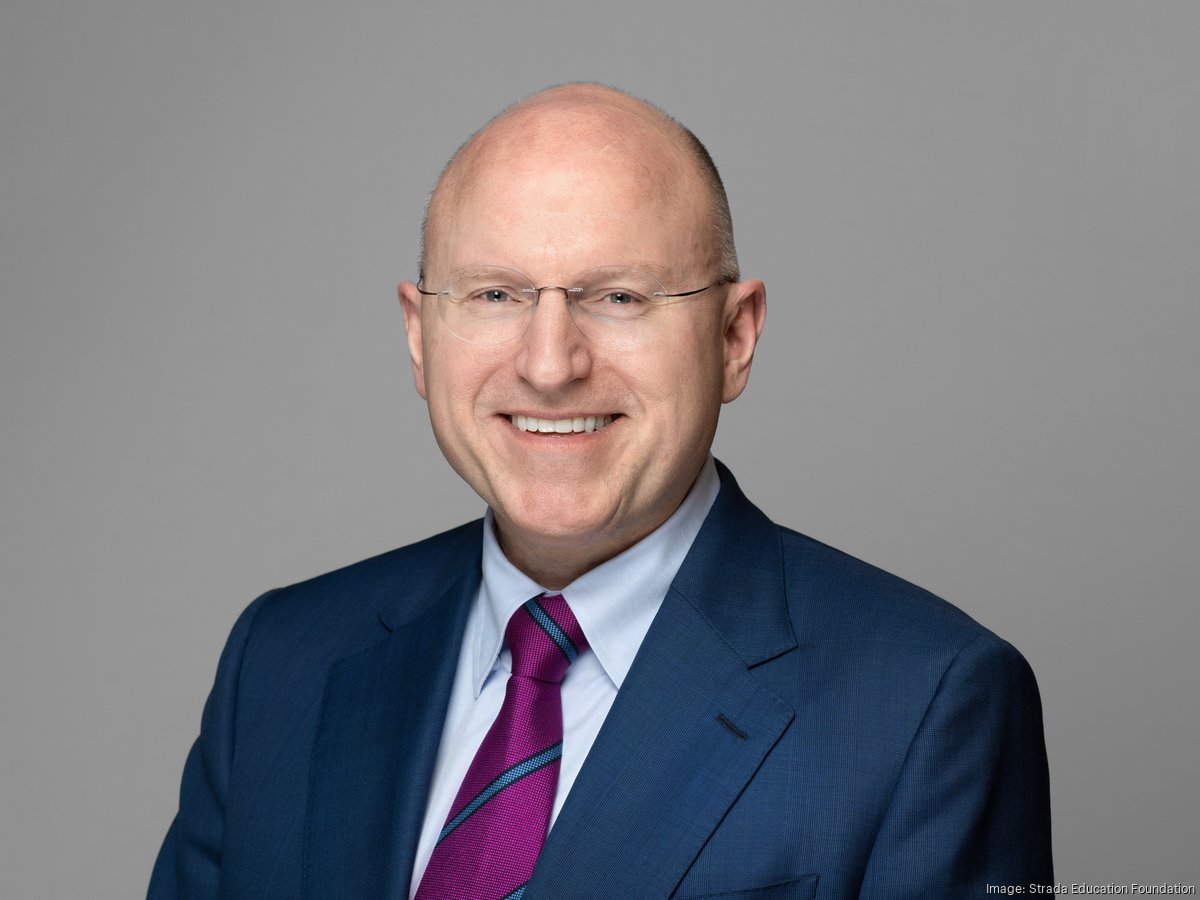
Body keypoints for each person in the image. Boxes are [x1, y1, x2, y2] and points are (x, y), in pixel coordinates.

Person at [149, 83, 1053, 899]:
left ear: (735, 336)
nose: (550, 365)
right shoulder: (281, 661)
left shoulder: (924, 704)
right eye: (496, 295)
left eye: (619, 297)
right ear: (421, 337)